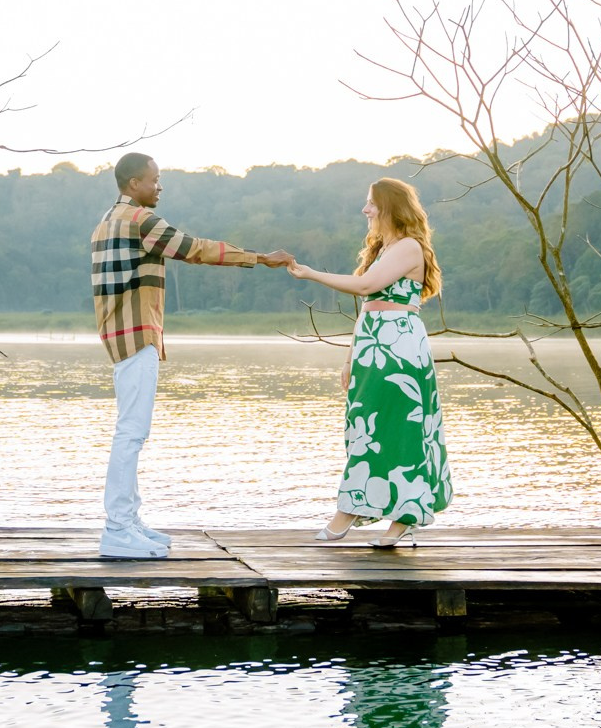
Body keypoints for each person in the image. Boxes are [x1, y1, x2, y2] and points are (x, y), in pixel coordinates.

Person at [91, 153, 292, 559]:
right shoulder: (140, 220)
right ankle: (117, 528)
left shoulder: (106, 221)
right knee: (131, 433)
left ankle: (128, 522)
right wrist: (258, 258)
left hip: (121, 335)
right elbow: (195, 249)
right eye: (154, 180)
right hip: (136, 336)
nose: (159, 186)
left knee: (131, 431)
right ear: (133, 184)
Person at [290, 177, 453, 547]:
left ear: (391, 207)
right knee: (364, 424)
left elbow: (364, 288)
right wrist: (351, 357)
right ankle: (370, 508)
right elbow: (368, 308)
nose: (365, 210)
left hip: (400, 349)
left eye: (371, 204)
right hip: (374, 346)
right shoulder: (384, 249)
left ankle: (381, 513)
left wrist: (311, 273)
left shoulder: (410, 247)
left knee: (397, 429)